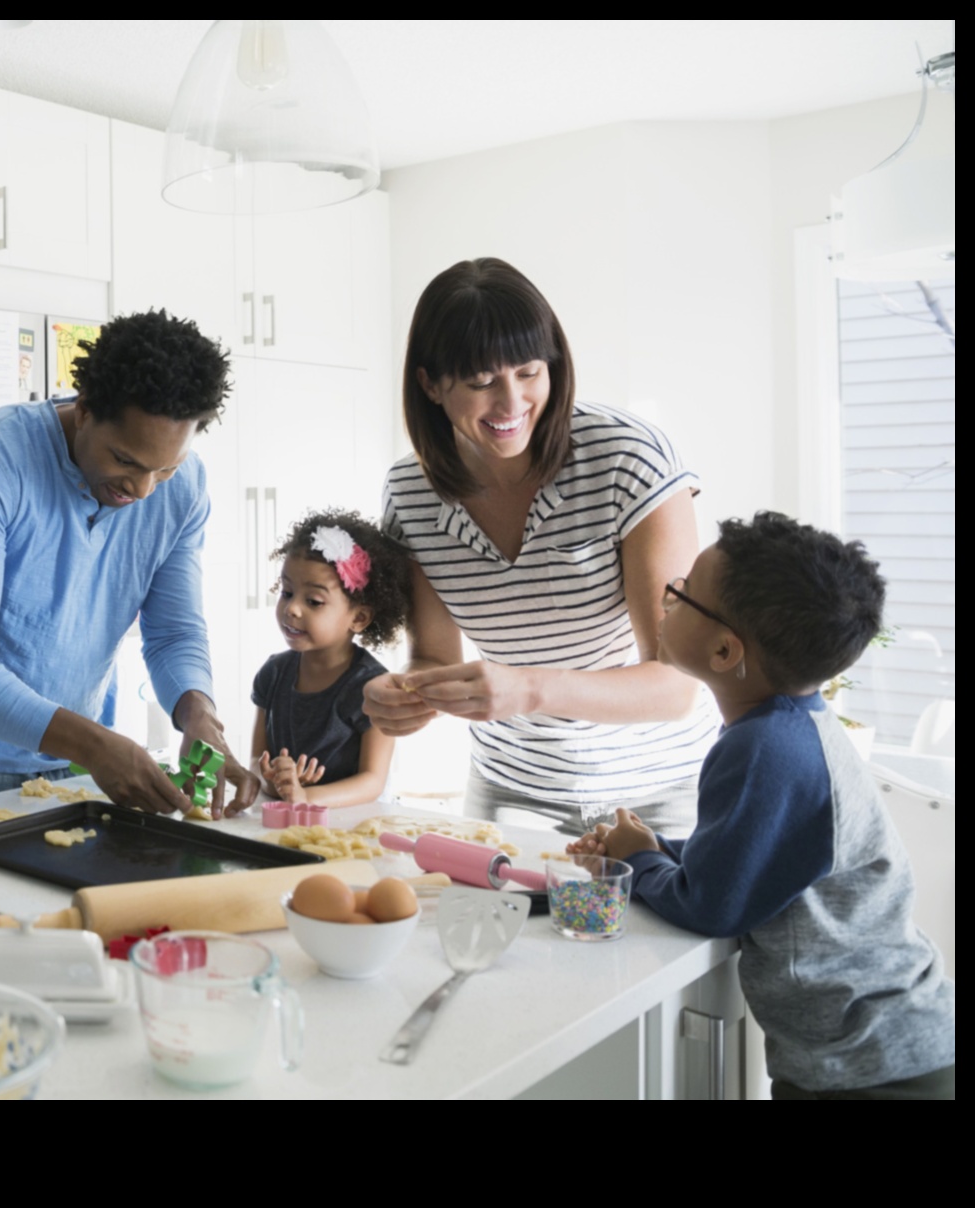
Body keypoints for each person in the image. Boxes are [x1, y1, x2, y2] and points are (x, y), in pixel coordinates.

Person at [569, 512, 955, 1100]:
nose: (666, 601)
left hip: (866, 1066)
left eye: (682, 594)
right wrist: (647, 851)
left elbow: (715, 905)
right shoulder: (794, 729)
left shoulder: (765, 748)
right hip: (888, 1045)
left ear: (725, 649)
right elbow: (756, 857)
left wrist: (642, 866)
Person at [366, 258, 716, 836]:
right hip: (511, 790)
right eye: (481, 382)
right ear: (430, 383)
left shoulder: (629, 460)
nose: (511, 404)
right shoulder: (410, 494)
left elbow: (676, 683)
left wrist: (527, 687)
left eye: (529, 372)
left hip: (661, 791)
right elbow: (434, 656)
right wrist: (407, 693)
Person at [0, 310, 256, 815]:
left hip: (82, 769)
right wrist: (93, 745)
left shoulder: (184, 488)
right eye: (125, 461)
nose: (141, 490)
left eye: (164, 468)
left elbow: (174, 633)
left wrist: (199, 715)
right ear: (86, 408)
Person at [251, 510, 410, 808]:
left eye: (313, 601)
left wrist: (306, 796)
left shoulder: (376, 689)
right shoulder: (272, 674)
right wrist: (276, 781)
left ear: (359, 617)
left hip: (354, 827)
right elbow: (256, 761)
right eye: (287, 592)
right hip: (288, 822)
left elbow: (372, 782)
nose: (292, 609)